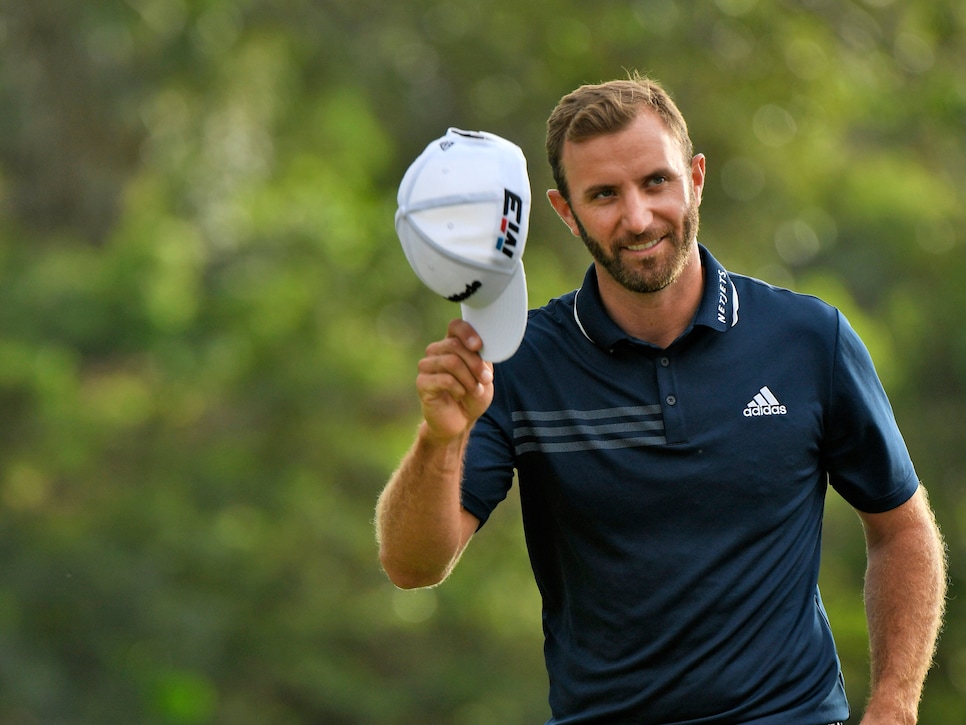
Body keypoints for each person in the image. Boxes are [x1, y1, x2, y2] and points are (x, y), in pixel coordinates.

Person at [375, 73, 947, 724]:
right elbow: (412, 565)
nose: (638, 217)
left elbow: (901, 528)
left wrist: (895, 702)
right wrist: (440, 439)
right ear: (566, 212)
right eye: (604, 195)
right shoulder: (520, 361)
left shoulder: (809, 339)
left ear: (695, 177)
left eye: (656, 182)